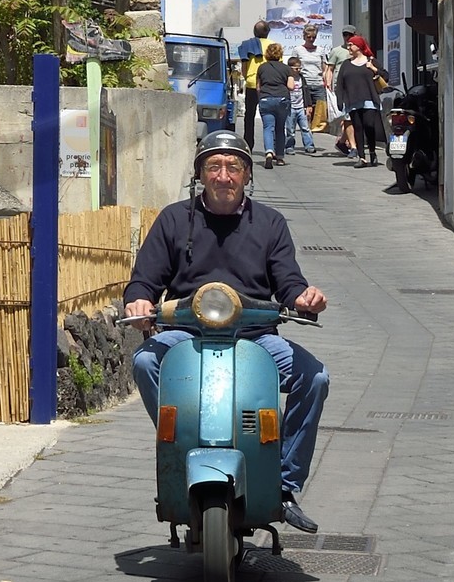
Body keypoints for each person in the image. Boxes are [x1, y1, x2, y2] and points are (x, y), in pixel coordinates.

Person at [125, 126, 331, 531]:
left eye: (233, 167)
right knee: (146, 362)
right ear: (200, 174)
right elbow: (144, 279)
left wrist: (305, 298)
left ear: (247, 174)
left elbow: (288, 282)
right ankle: (180, 443)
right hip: (187, 335)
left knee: (315, 377)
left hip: (256, 336)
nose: (223, 176)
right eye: (214, 167)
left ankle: (284, 483)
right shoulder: (174, 219)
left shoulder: (270, 223)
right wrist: (139, 300)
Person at [336, 38, 386, 167]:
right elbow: (340, 83)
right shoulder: (346, 64)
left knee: (369, 125)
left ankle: (372, 152)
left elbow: (386, 76)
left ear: (358, 46)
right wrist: (340, 100)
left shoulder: (371, 61)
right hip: (352, 100)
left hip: (370, 99)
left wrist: (373, 68)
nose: (348, 48)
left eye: (351, 45)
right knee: (357, 128)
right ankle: (362, 157)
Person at [255, 40, 292, 170]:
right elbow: (291, 86)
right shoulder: (286, 68)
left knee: (268, 128)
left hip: (266, 99)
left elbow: (258, 87)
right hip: (282, 99)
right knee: (280, 129)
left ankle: (269, 152)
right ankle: (280, 157)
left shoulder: (261, 68)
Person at [236, 19, 268, 153]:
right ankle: (270, 146)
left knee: (249, 115)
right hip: (268, 84)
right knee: (269, 116)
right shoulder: (273, 45)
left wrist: (246, 77)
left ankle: (248, 143)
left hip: (251, 83)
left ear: (254, 32)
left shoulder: (247, 45)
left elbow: (244, 66)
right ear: (268, 32)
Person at [297, 30, 327, 149]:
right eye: (309, 37)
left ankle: (311, 134)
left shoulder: (320, 50)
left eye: (313, 37)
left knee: (319, 112)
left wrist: (326, 81)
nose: (311, 39)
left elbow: (324, 67)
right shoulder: (298, 50)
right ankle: (308, 141)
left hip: (318, 84)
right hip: (305, 84)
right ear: (304, 36)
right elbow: (294, 66)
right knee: (306, 113)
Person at [286, 53, 316, 153]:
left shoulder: (302, 78)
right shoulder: (287, 78)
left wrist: (308, 105)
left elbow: (306, 92)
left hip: (301, 107)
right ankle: (289, 146)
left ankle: (309, 145)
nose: (298, 70)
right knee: (290, 129)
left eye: (300, 68)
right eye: (296, 68)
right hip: (290, 107)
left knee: (305, 128)